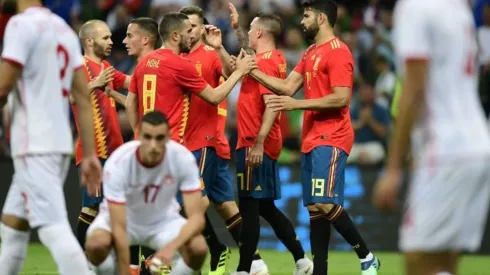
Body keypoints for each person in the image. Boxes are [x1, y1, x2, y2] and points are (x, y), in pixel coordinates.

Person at [249, 0, 380, 274]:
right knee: (315, 210)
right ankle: (319, 270)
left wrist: (296, 105)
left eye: (307, 15)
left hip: (331, 135)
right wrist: (252, 71)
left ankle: (367, 256)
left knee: (325, 202)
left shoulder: (339, 51)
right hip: (312, 136)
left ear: (321, 18)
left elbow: (342, 97)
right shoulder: (310, 52)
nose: (302, 20)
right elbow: (287, 87)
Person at [372, 0, 490, 274]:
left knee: (418, 263)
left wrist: (392, 169)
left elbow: (414, 89)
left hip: (445, 151)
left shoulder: (415, 8)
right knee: (444, 263)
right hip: (478, 146)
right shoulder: (458, 9)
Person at [0, 0, 102, 274]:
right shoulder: (63, 29)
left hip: (33, 145)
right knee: (12, 225)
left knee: (53, 229)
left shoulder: (20, 25)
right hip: (55, 144)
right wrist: (90, 154)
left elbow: (3, 86)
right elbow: (82, 96)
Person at [178, 6, 267, 275]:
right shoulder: (181, 56)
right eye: (186, 27)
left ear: (203, 28)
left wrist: (218, 47)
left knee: (188, 205)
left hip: (204, 140)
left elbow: (234, 72)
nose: (189, 31)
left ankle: (209, 250)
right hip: (200, 142)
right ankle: (255, 262)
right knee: (225, 206)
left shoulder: (208, 54)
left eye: (193, 26)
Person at [228, 5, 312, 275]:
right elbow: (247, 58)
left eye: (251, 29)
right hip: (257, 140)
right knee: (264, 207)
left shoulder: (264, 63)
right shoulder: (270, 59)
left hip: (254, 140)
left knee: (249, 208)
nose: (249, 33)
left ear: (261, 32)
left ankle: (245, 269)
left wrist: (259, 142)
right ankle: (302, 260)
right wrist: (238, 29)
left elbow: (273, 104)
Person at [85, 111, 208, 275]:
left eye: (159, 138)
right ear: (139, 136)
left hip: (163, 222)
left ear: (168, 137)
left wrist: (169, 249)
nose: (153, 145)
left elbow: (197, 218)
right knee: (96, 244)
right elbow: (119, 226)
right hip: (124, 221)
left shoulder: (183, 159)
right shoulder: (119, 162)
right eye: (148, 137)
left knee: (198, 249)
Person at [73, 19, 131, 258]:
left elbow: (130, 82)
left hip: (114, 151)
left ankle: (113, 259)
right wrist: (94, 84)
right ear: (89, 41)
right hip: (93, 149)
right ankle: (78, 260)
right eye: (105, 38)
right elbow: (70, 98)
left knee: (116, 207)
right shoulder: (78, 66)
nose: (111, 41)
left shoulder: (106, 66)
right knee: (92, 207)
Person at [121, 17, 164, 274]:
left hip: (149, 148)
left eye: (129, 35)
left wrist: (139, 135)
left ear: (146, 39)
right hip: (161, 147)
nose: (124, 41)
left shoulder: (143, 65)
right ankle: (145, 266)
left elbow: (129, 104)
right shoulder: (158, 61)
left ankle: (141, 267)